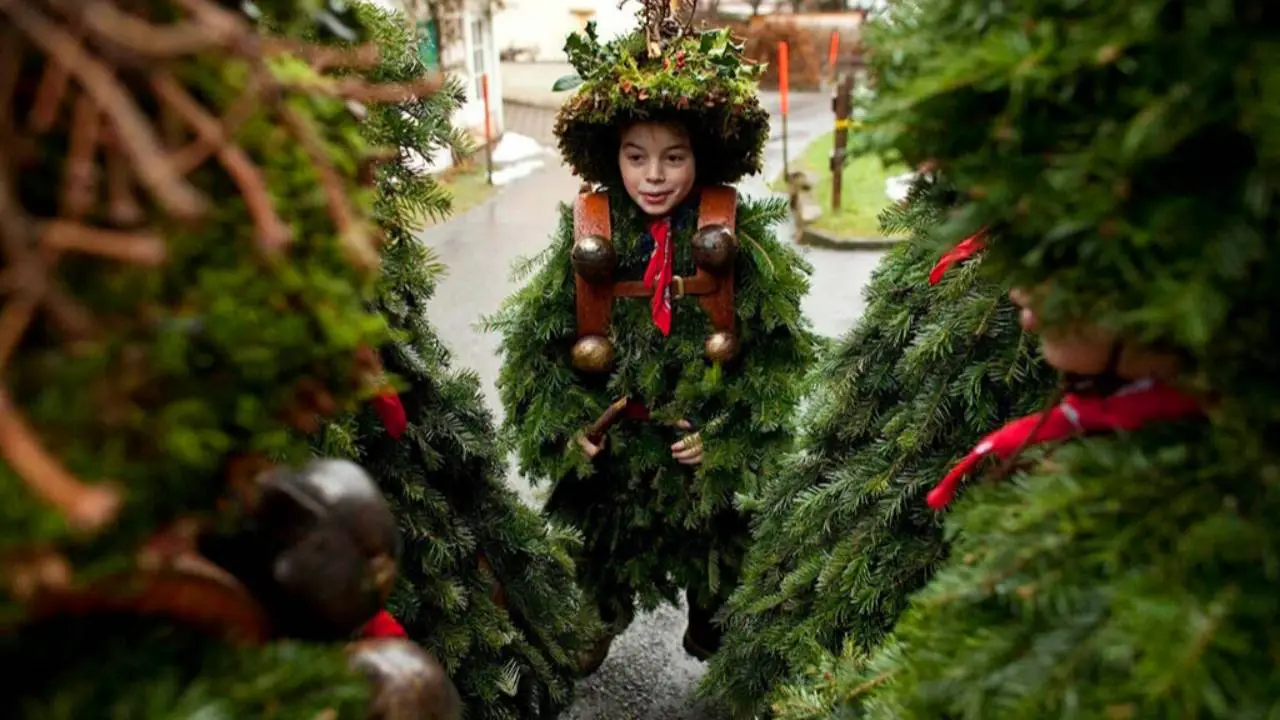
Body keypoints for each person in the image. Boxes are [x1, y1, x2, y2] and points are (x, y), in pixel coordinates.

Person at [489, 1, 817, 672]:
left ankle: (719, 633)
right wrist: (566, 431)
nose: (656, 175)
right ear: (614, 158)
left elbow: (778, 362)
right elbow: (535, 356)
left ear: (703, 153)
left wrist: (729, 440)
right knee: (583, 618)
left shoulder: (733, 235)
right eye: (636, 157)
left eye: (674, 156)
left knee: (727, 616)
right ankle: (591, 620)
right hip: (614, 467)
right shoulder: (590, 237)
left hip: (701, 470)